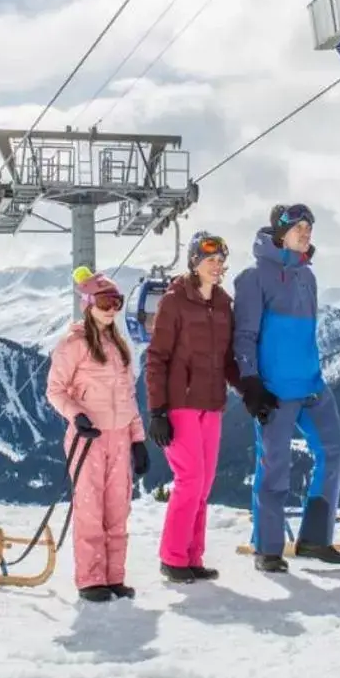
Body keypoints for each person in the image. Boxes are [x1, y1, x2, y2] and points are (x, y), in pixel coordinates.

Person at [232, 203, 340, 572]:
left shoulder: (307, 277)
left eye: (309, 228)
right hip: (276, 391)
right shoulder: (254, 277)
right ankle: (267, 548)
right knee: (274, 466)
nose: (306, 233)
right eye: (299, 227)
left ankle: (315, 538)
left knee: (333, 452)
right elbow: (245, 336)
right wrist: (251, 383)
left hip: (313, 385)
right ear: (280, 232)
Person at [45, 266, 150, 601]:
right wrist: (77, 416)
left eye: (116, 302)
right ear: (88, 304)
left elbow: (128, 397)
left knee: (118, 509)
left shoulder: (120, 346)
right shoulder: (73, 344)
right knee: (91, 509)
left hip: (119, 437)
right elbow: (55, 390)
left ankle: (113, 576)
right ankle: (91, 579)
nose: (111, 310)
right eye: (104, 302)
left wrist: (138, 440)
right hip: (88, 439)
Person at [142, 231, 241, 583]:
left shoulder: (224, 305)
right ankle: (172, 557)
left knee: (205, 483)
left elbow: (228, 360)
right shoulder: (174, 302)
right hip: (181, 403)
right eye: (209, 259)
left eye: (220, 260)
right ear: (194, 262)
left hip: (212, 403)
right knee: (190, 479)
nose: (216, 266)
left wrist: (250, 389)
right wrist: (157, 411)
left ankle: (192, 556)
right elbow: (156, 358)